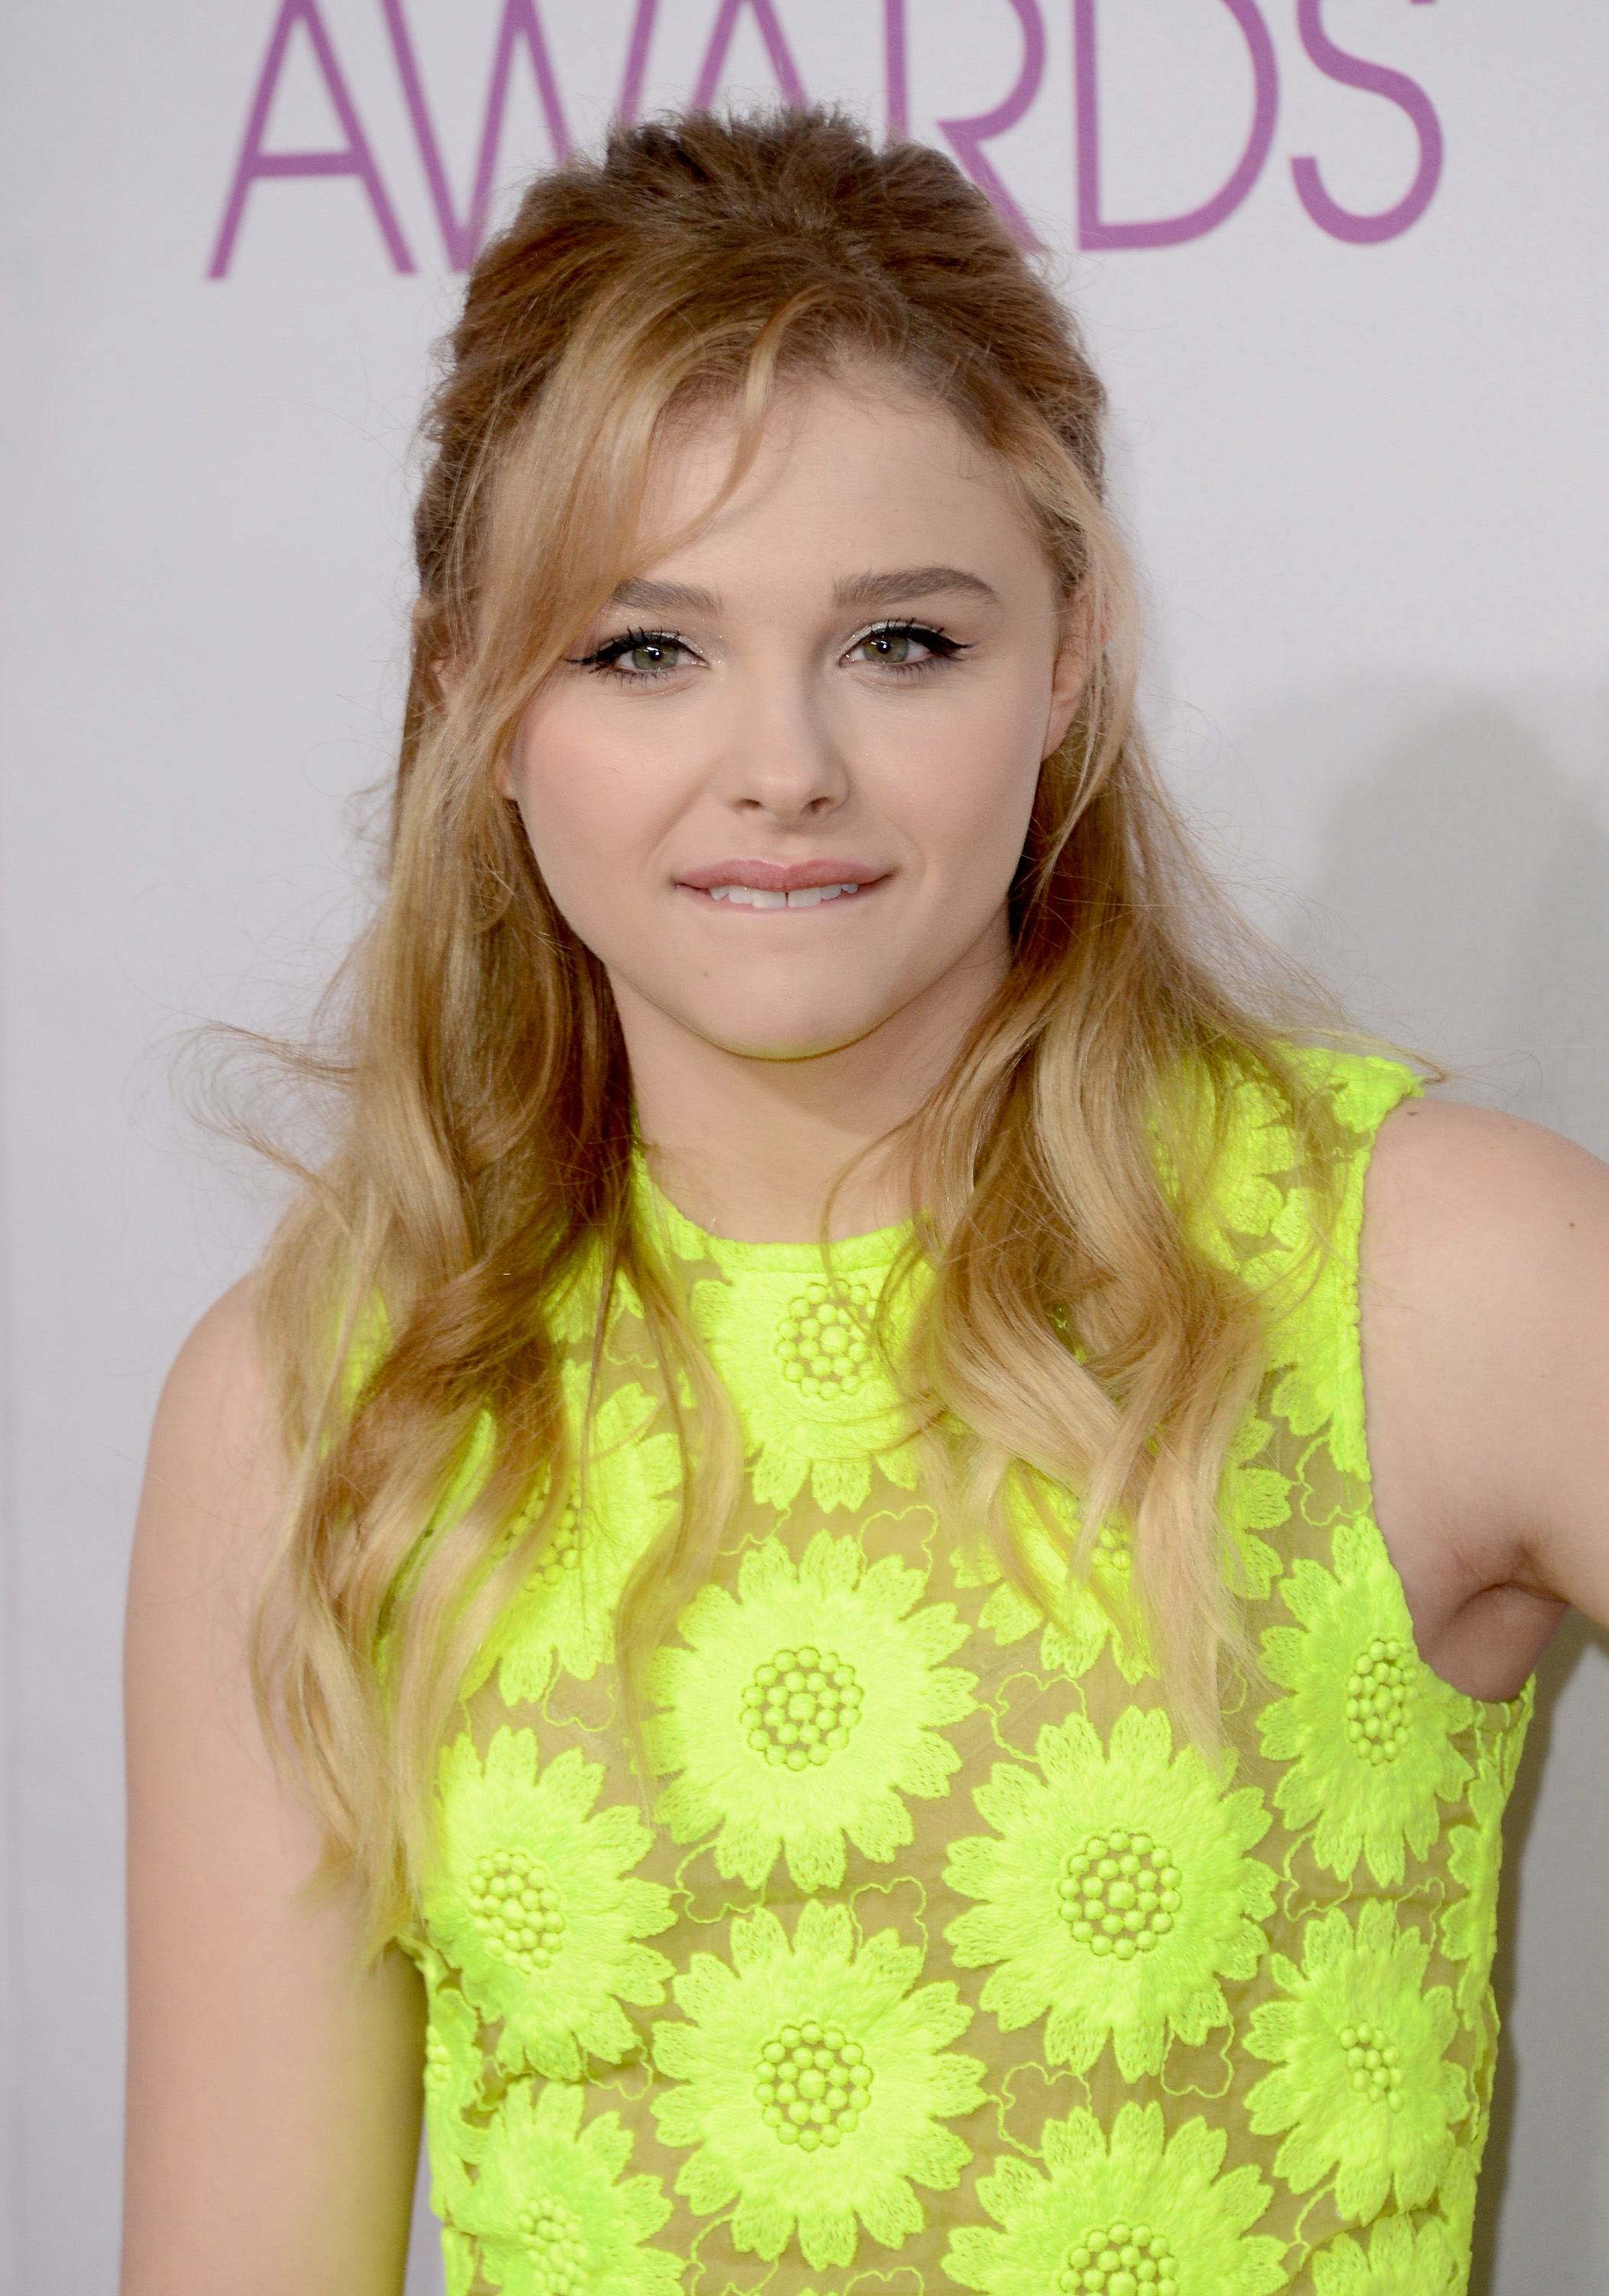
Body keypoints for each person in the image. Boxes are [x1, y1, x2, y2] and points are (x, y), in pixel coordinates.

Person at [122, 106, 1609, 2296]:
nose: (784, 767)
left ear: (1069, 654)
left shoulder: (1433, 1273)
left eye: (902, 641)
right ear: (470, 694)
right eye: (642, 649)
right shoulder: (324, 1405)